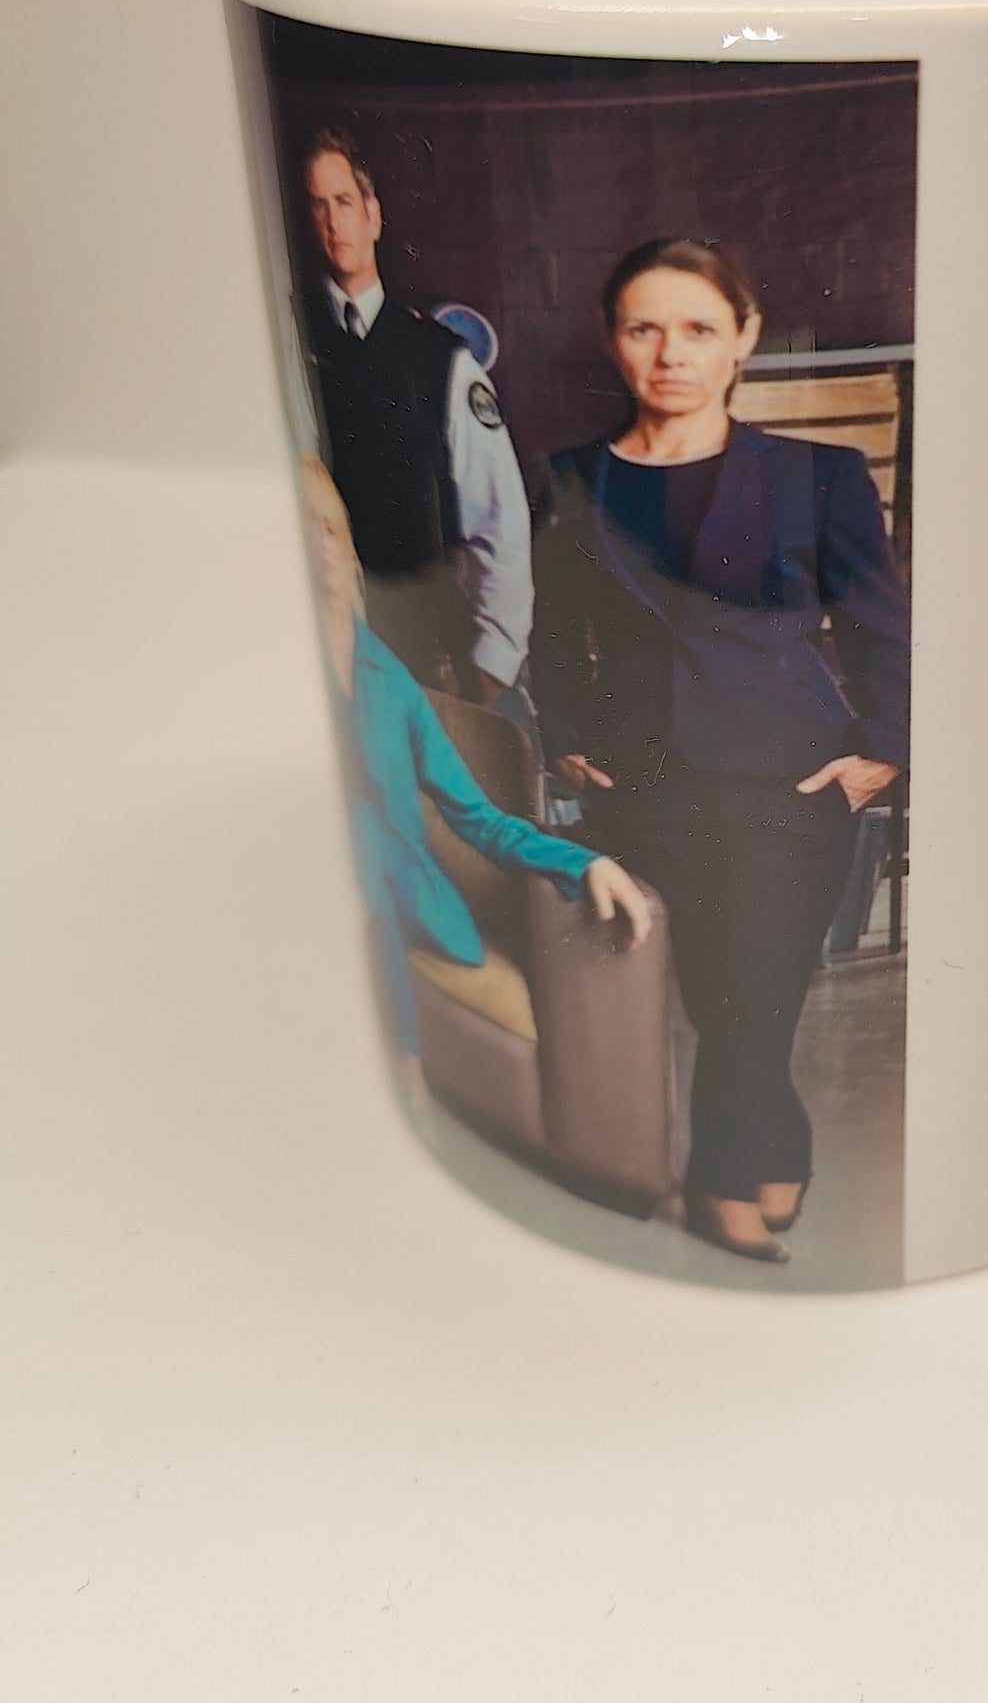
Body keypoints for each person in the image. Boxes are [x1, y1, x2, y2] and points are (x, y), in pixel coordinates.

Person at [532, 238, 910, 1264]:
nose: (671, 354)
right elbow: (555, 635)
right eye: (644, 328)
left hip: (794, 785)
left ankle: (719, 1184)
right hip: (646, 790)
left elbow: (883, 628)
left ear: (743, 337)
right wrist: (567, 741)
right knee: (716, 998)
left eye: (698, 328)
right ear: (613, 340)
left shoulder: (818, 477)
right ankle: (782, 1145)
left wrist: (884, 751)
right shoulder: (567, 480)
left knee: (758, 993)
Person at [296, 455, 651, 1070]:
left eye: (329, 527)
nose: (319, 544)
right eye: (300, 527)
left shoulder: (389, 681)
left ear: (349, 546)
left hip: (406, 913)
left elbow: (478, 818)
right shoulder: (258, 679)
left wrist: (583, 861)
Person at [294, 126, 533, 704]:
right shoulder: (294, 345)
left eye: (345, 202)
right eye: (318, 207)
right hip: (328, 655)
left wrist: (495, 660)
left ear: (373, 216)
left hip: (428, 660)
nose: (334, 223)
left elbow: (500, 516)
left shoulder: (441, 360)